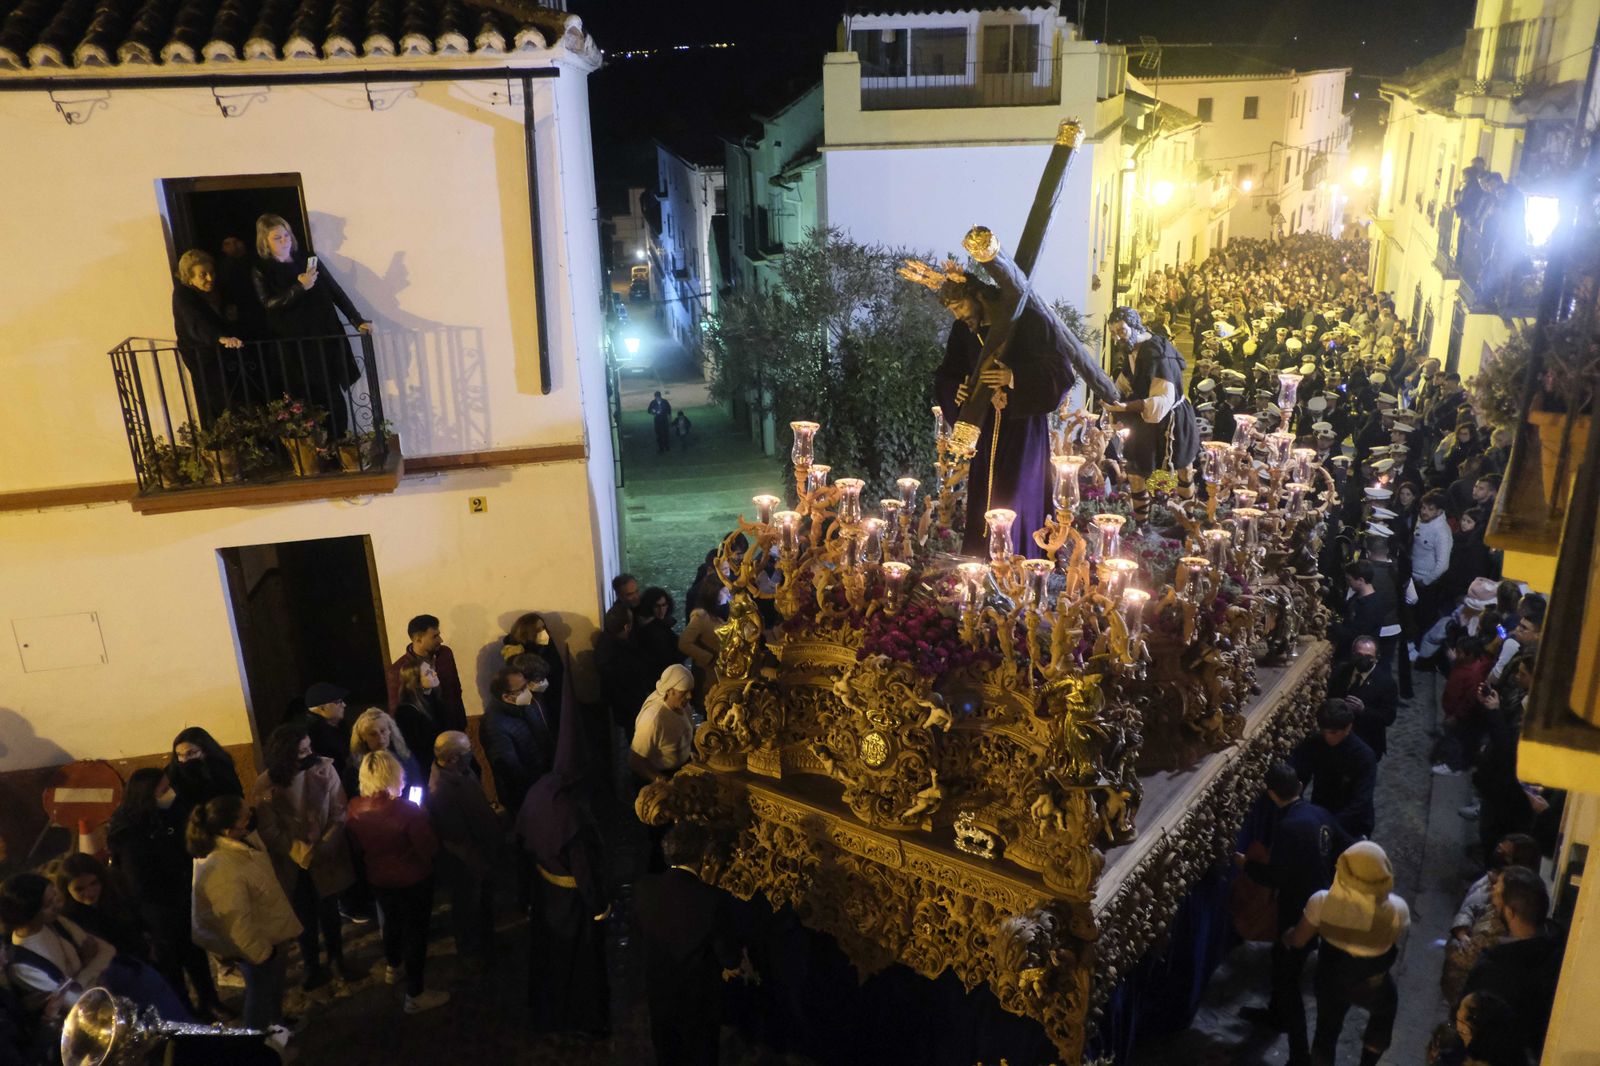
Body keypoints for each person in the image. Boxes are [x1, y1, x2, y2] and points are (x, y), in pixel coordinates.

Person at [515, 651, 610, 1036]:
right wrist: (600, 906)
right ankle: (579, 1019)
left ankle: (546, 1010)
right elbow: (583, 864)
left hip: (544, 887)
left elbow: (521, 837)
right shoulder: (572, 814)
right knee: (577, 961)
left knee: (549, 956)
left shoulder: (539, 789)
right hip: (570, 900)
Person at [1236, 763, 1352, 1065]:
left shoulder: (1288, 827)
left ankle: (1299, 1054)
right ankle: (1276, 1015)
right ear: (1299, 786)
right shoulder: (1320, 813)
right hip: (1321, 901)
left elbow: (1275, 877)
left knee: (1289, 980)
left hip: (1300, 912)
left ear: (1272, 794)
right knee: (1281, 962)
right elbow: (1346, 847)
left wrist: (1245, 865)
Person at [106, 767, 225, 1020]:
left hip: (183, 897)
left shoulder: (170, 812)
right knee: (172, 964)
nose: (169, 792)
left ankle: (209, 1000)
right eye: (163, 789)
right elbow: (137, 881)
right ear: (146, 795)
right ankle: (184, 1011)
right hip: (158, 910)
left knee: (195, 953)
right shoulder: (129, 832)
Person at [251, 722, 360, 990]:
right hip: (293, 862)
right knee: (304, 917)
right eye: (302, 751)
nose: (309, 754)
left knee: (329, 911)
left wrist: (325, 843)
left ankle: (337, 959)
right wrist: (299, 851)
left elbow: (339, 808)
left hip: (324, 855)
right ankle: (312, 965)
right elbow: (269, 828)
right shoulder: (266, 783)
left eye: (310, 747)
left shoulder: (324, 769)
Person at [1, 872, 190, 1022]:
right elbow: (74, 1003)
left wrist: (79, 978)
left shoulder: (56, 923)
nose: (57, 907)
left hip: (112, 985)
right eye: (49, 905)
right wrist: (89, 966)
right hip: (98, 1013)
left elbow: (106, 950)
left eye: (56, 898)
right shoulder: (23, 965)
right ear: (28, 913)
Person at [1283, 841, 1409, 1066]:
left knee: (1325, 1032)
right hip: (1372, 984)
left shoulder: (1322, 901)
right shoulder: (1397, 910)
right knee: (1384, 1013)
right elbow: (1391, 941)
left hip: (1331, 980)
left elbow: (1299, 940)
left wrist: (1288, 936)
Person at [346, 751, 449, 1014]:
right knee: (416, 934)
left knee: (390, 924)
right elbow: (428, 848)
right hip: (413, 879)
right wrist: (422, 815)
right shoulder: (408, 811)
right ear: (394, 775)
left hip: (379, 878)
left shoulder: (355, 807)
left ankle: (393, 966)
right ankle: (416, 993)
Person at [188, 793, 302, 1032]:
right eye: (244, 816)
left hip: (270, 932)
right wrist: (261, 954)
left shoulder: (242, 842)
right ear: (229, 830)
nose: (251, 815)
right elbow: (236, 923)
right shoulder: (221, 867)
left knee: (272, 989)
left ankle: (277, 1025)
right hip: (257, 947)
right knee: (258, 997)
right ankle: (258, 1046)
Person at [251, 213, 371, 438]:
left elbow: (335, 291)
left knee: (332, 393)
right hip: (294, 345)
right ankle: (316, 448)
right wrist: (300, 288)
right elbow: (268, 303)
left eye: (286, 235)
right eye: (277, 238)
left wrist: (357, 320)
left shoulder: (307, 259)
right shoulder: (262, 269)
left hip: (324, 336)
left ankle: (338, 441)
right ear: (265, 242)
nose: (285, 241)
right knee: (303, 397)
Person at [633, 823, 744, 1066]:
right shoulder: (713, 899)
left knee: (666, 1048)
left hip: (659, 988)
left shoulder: (644, 888)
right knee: (700, 1050)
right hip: (698, 998)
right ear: (703, 858)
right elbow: (729, 957)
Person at [1105, 306, 1200, 526]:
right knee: (1136, 472)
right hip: (1144, 421)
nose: (1117, 337)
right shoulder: (1132, 348)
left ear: (1135, 326)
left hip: (1172, 423)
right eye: (1114, 333)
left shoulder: (1158, 353)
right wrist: (1111, 394)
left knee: (1183, 470)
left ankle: (1188, 523)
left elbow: (1162, 401)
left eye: (1121, 331)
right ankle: (1141, 527)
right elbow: (1126, 380)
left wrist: (1124, 407)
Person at [1461, 865, 1563, 1057]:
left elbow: (1469, 1023)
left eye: (1498, 893)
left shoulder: (1495, 971)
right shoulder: (1557, 948)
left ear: (1511, 912)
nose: (1492, 896)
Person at [427, 732, 500, 973]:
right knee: (467, 907)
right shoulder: (443, 789)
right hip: (466, 861)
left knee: (481, 904)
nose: (471, 754)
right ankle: (471, 953)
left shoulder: (461, 772)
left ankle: (487, 943)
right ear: (453, 758)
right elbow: (456, 836)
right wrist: (477, 862)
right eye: (467, 750)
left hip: (481, 851)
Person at [171, 248, 252, 424]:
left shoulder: (217, 291)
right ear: (189, 277)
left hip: (224, 353)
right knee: (218, 399)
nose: (210, 278)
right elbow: (195, 322)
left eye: (211, 272)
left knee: (239, 395)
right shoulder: (183, 295)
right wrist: (220, 338)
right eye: (203, 275)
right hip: (203, 355)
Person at [1291, 700, 1378, 839]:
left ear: (1348, 728)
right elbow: (1299, 772)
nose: (1327, 737)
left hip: (1352, 824)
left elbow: (1361, 801)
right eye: (1324, 731)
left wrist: (1328, 824)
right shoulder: (1316, 743)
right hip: (1322, 810)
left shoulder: (1363, 756)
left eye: (1333, 732)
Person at [480, 665, 554, 816]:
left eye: (526, 685)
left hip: (542, 780)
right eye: (521, 689)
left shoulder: (523, 705)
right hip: (524, 793)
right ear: (506, 697)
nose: (527, 691)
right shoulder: (494, 726)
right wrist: (536, 787)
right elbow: (509, 768)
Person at [45, 854, 145, 961]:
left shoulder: (116, 886)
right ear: (67, 890)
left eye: (94, 883)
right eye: (79, 889)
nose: (89, 893)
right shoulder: (66, 917)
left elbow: (138, 913)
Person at [386, 613, 467, 733]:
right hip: (427, 733)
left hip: (454, 727)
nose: (441, 640)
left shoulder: (445, 654)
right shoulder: (398, 670)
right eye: (435, 636)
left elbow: (455, 690)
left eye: (439, 635)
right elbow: (397, 711)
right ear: (418, 639)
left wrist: (461, 723)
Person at [1328, 636, 1399, 759]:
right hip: (1338, 738)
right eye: (1359, 655)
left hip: (1367, 742)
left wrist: (1363, 710)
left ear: (1376, 658)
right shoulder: (1341, 671)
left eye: (1368, 657)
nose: (1363, 660)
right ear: (1352, 654)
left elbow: (1388, 717)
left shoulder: (1386, 683)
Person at [630, 665, 696, 785]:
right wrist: (664, 782)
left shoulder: (684, 705)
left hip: (683, 768)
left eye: (690, 691)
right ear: (670, 691)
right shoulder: (653, 719)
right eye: (684, 692)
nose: (689, 696)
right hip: (663, 776)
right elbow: (636, 761)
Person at [501, 611, 566, 733]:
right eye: (539, 629)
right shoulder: (516, 652)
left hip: (554, 698)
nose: (544, 631)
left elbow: (557, 670)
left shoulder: (546, 644)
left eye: (544, 627)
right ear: (527, 632)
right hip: (535, 705)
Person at [166, 726, 244, 825]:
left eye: (191, 753)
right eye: (179, 755)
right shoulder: (173, 773)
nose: (184, 760)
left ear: (206, 750)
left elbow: (234, 797)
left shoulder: (220, 769)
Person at [349, 706, 425, 798]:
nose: (380, 738)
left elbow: (416, 787)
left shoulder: (404, 757)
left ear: (390, 730)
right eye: (373, 734)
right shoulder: (354, 768)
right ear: (363, 737)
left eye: (383, 731)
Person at [1330, 562, 1387, 663]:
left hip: (1356, 656)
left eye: (1349, 580)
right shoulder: (1358, 596)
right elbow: (1346, 610)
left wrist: (1332, 625)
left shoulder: (1371, 606)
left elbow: (1355, 634)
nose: (1348, 583)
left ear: (1361, 580)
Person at [679, 584, 724, 703]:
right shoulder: (700, 617)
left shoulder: (715, 616)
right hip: (708, 674)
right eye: (724, 592)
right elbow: (684, 643)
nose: (728, 595)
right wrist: (708, 658)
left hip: (718, 673)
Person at [633, 587, 684, 677]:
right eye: (657, 606)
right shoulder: (652, 630)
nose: (661, 610)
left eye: (664, 605)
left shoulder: (661, 624)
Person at [302, 682, 351, 770]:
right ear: (322, 708)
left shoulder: (337, 725)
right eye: (338, 702)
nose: (344, 705)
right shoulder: (314, 736)